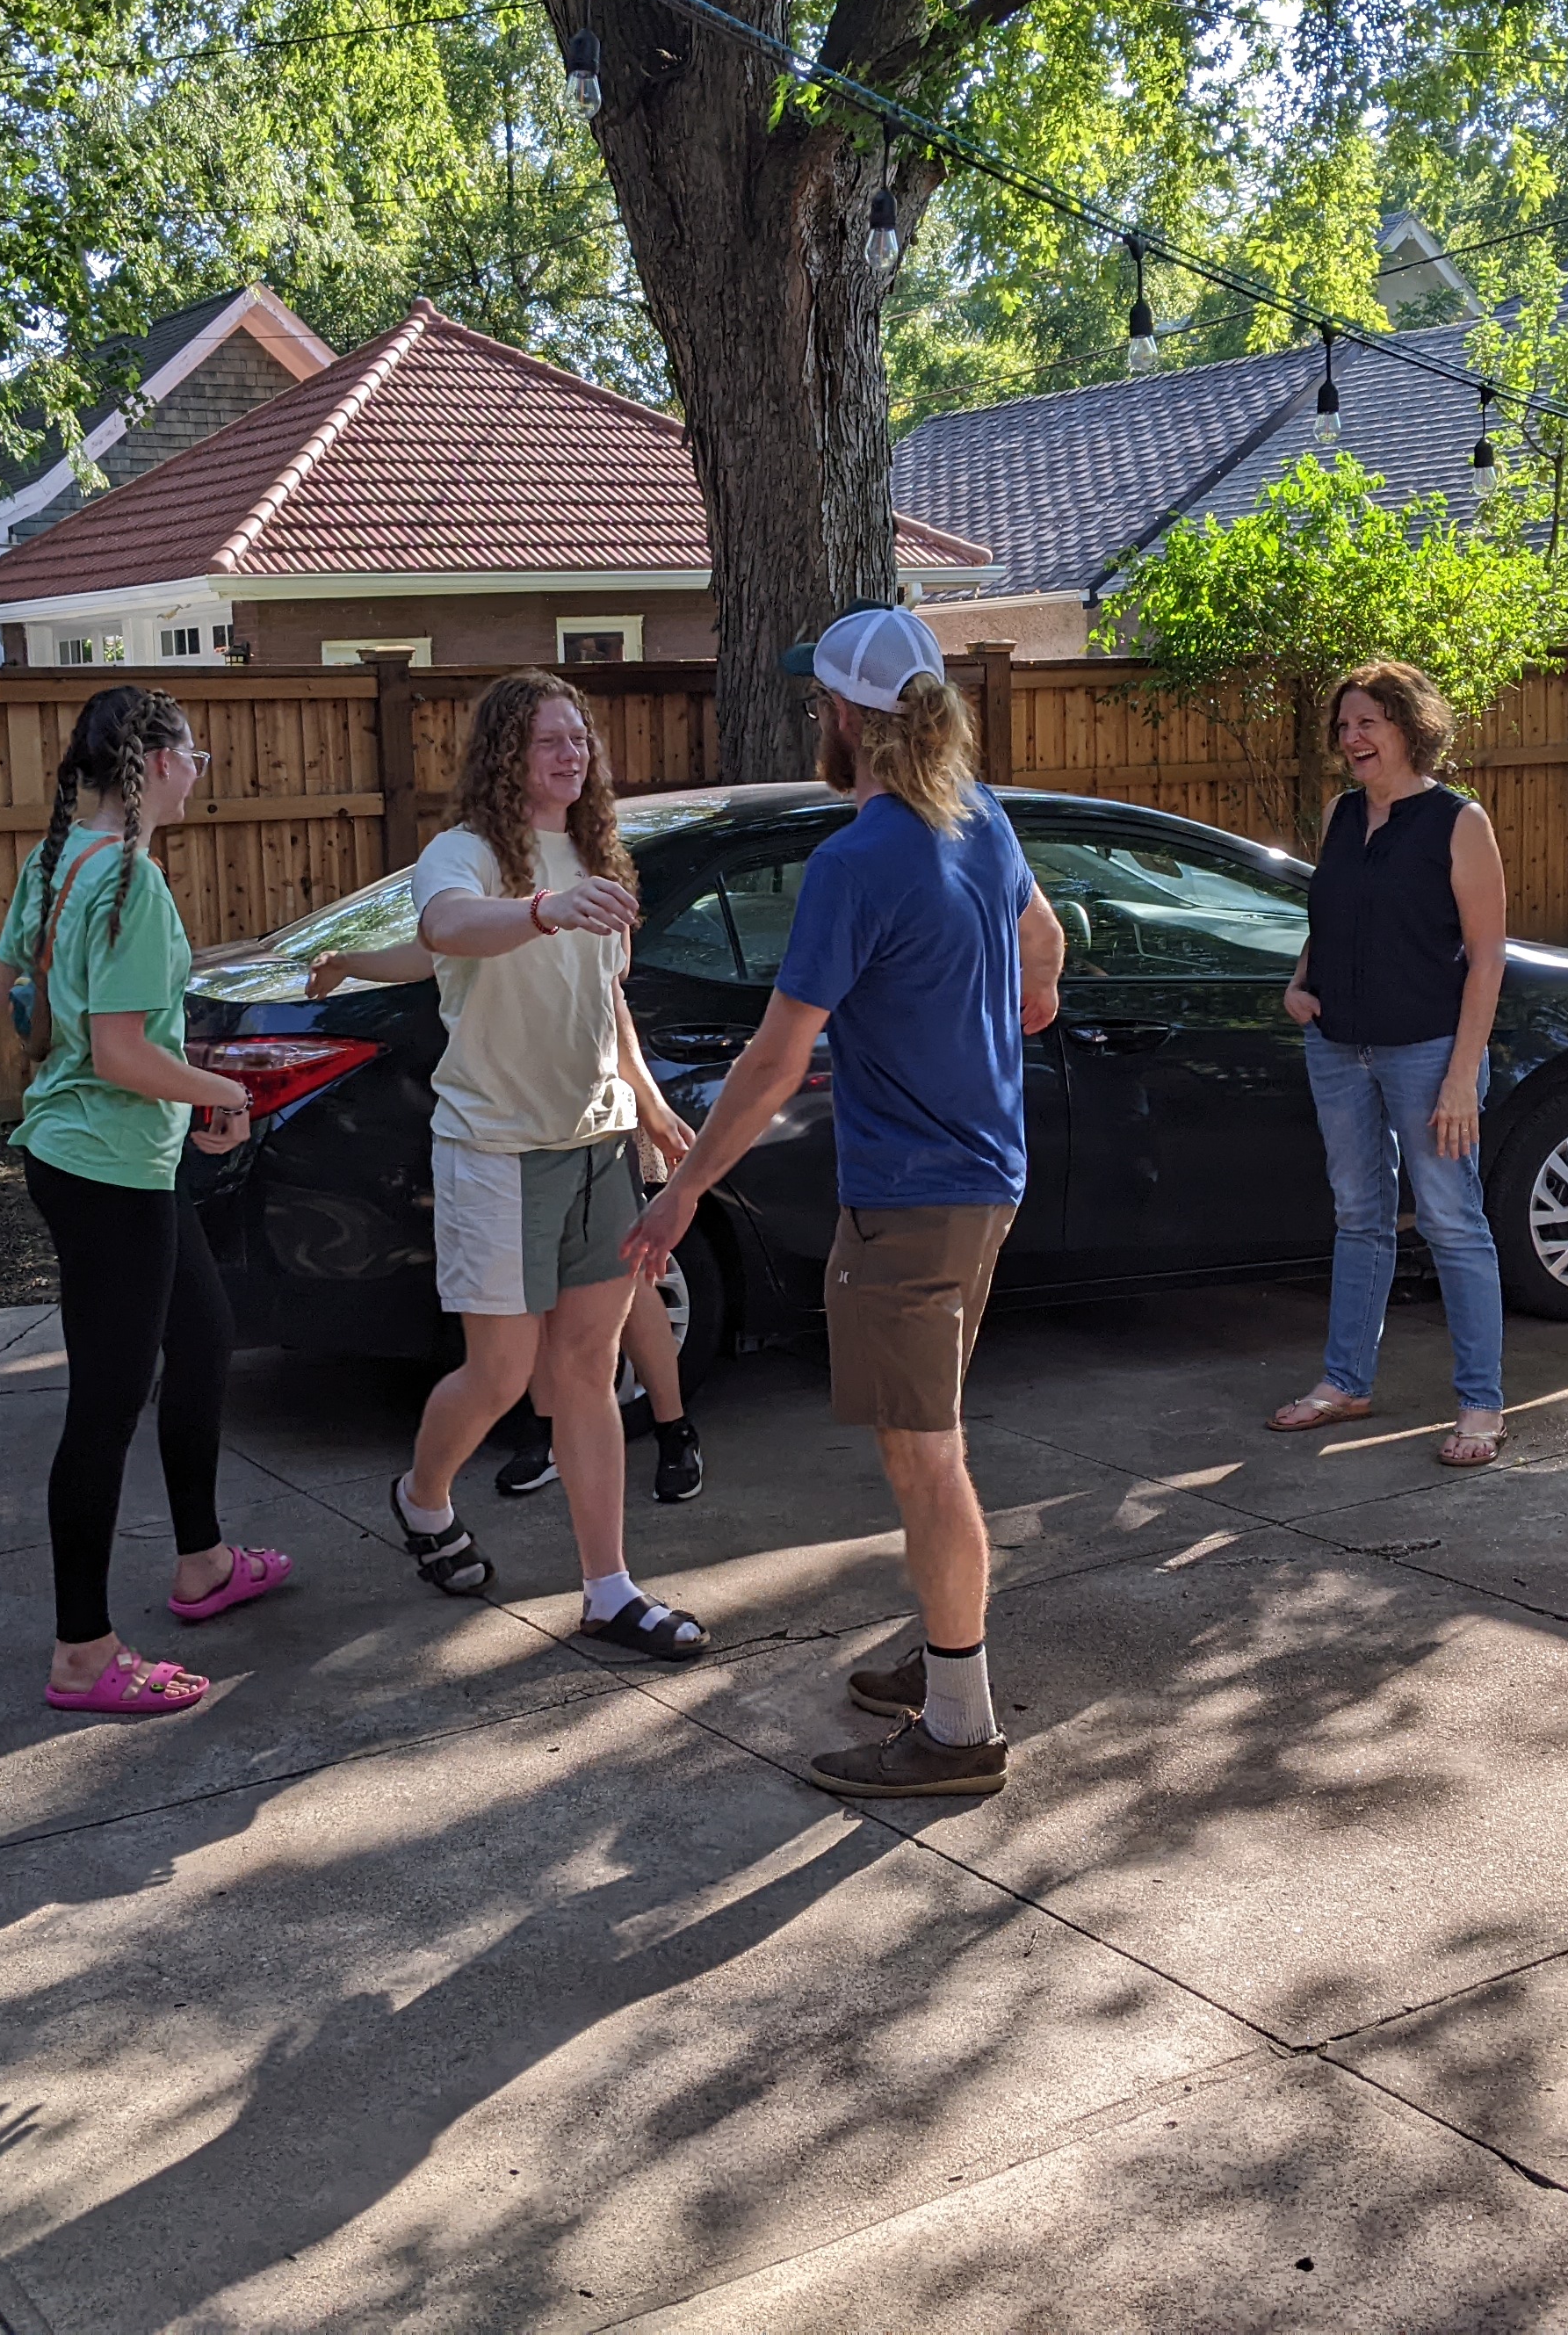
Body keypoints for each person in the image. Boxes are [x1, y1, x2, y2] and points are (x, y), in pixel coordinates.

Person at [626, 607, 1063, 1797]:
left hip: (910, 1201)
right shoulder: (978, 817)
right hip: (985, 1181)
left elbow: (774, 1061)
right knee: (933, 1439)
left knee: (926, 1458)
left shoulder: (855, 862)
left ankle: (960, 1728)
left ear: (845, 720)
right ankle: (947, 1653)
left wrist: (680, 1196)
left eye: (818, 702)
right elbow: (1044, 938)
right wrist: (1027, 998)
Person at [0, 685, 288, 1717]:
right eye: (195, 755)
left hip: (94, 1157)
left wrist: (114, 1049)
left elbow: (0, 1003)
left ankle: (202, 1563)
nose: (200, 772)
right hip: (108, 1169)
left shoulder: (54, 861)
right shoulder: (134, 884)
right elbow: (120, 1055)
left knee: (203, 1334)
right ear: (156, 762)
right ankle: (82, 1653)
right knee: (105, 1410)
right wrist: (221, 1091)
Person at [386, 671, 707, 1659]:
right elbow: (446, 927)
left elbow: (605, 1000)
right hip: (496, 1150)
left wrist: (647, 1103)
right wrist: (544, 908)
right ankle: (423, 1497)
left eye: (580, 739)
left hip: (597, 1148)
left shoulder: (600, 853)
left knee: (587, 1371)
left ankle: (609, 1592)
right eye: (548, 742)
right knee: (500, 1374)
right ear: (505, 757)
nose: (573, 756)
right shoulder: (465, 853)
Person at [309, 939, 704, 1500]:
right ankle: (547, 1438)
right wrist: (349, 962)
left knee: (630, 1286)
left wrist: (652, 1104)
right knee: (531, 1299)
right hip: (509, 1141)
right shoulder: (477, 901)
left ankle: (674, 1429)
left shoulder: (596, 899)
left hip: (597, 1133)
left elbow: (610, 1004)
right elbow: (433, 946)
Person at [1266, 660, 1513, 1466]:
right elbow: (1334, 915)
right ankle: (1346, 1383)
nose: (1352, 738)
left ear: (1408, 727)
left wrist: (1461, 1079)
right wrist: (1300, 983)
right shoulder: (1341, 814)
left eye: (1367, 722)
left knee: (1452, 1222)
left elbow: (1487, 958)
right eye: (1344, 726)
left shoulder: (1458, 821)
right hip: (1338, 1049)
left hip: (1429, 1054)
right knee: (1358, 1217)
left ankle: (1480, 1404)